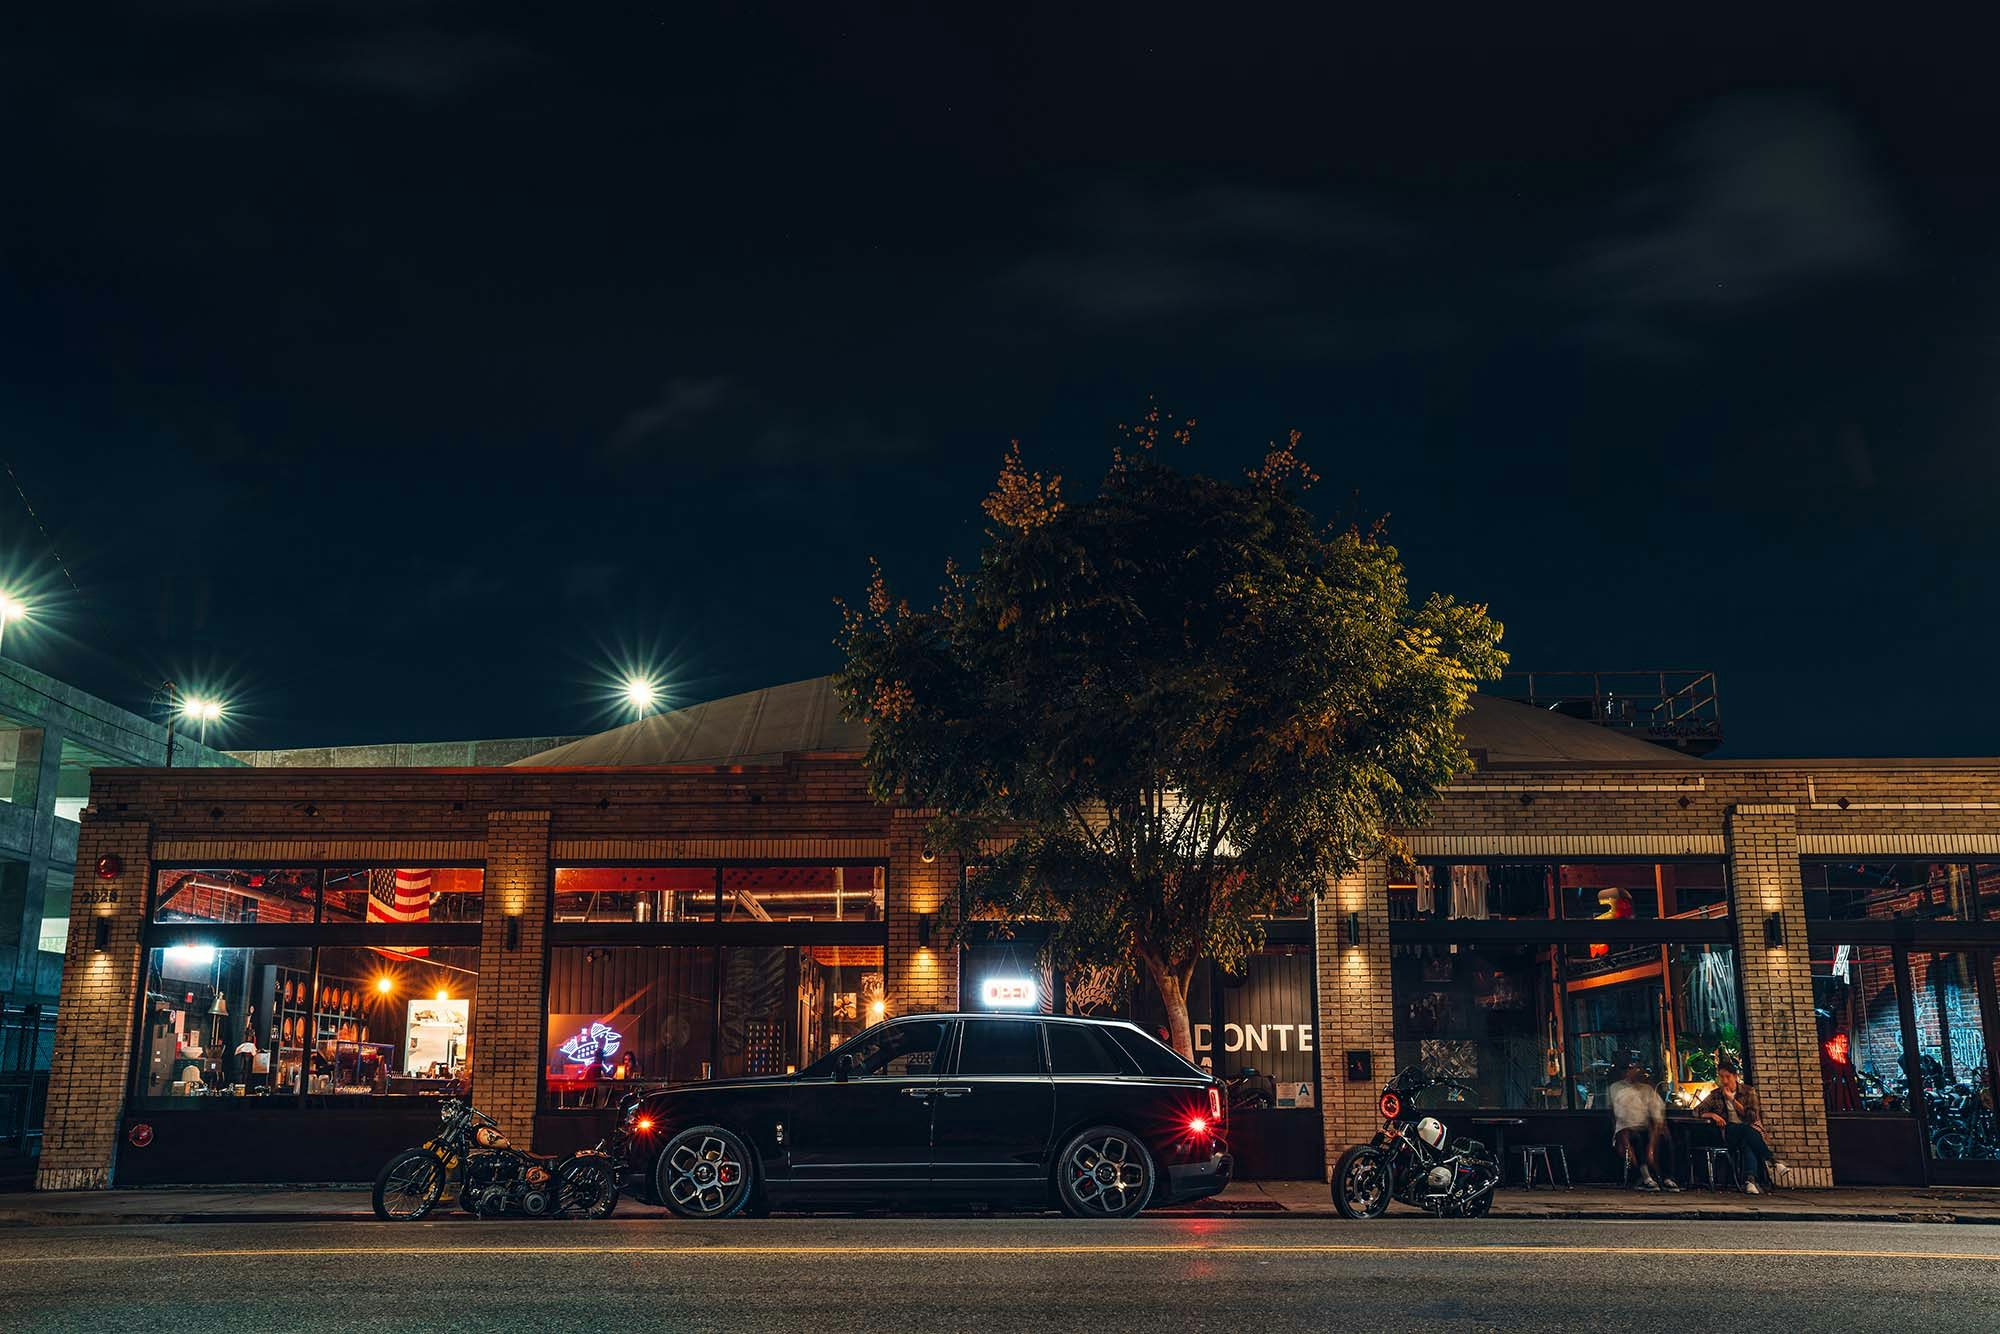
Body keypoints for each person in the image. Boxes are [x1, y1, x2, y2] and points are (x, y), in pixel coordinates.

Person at [1696, 1060, 1793, 1193]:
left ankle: (1750, 1182)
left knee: (1747, 1140)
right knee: (1745, 1131)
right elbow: (1696, 1111)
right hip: (1728, 1133)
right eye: (1721, 1077)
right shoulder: (1716, 1094)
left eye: (1727, 1077)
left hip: (1747, 1131)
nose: (1724, 1081)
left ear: (1735, 1077)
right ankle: (1773, 1161)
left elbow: (1751, 1117)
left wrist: (1732, 1100)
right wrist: (1711, 1114)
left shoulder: (1748, 1091)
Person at [1609, 1060, 1679, 1191]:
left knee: (1666, 1137)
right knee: (1636, 1137)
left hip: (1646, 1125)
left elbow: (1656, 1114)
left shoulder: (1647, 1090)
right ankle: (1645, 1176)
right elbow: (1620, 1116)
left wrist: (1654, 1141)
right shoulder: (1617, 1088)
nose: (1637, 1072)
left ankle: (1667, 1177)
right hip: (1627, 1127)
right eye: (1633, 1069)